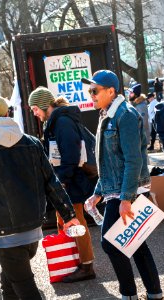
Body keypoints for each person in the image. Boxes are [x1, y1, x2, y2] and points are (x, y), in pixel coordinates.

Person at [81, 70, 164, 300]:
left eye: (95, 90)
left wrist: (126, 198)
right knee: (137, 244)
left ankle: (129, 294)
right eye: (90, 90)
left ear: (111, 91)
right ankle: (154, 293)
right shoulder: (107, 114)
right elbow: (109, 162)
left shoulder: (125, 115)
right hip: (117, 190)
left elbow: (133, 159)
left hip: (127, 191)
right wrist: (98, 193)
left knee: (110, 243)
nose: (92, 94)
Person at [0, 94, 79, 299]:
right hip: (33, 227)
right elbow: (51, 182)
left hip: (4, 231)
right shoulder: (31, 143)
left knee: (23, 285)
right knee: (11, 280)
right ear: (7, 113)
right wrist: (68, 215)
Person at [28, 88, 96, 283]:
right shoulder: (56, 120)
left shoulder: (62, 122)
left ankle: (86, 266)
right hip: (68, 178)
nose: (34, 113)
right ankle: (74, 261)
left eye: (35, 109)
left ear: (44, 105)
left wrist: (62, 181)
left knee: (75, 221)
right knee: (66, 221)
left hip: (71, 180)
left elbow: (71, 155)